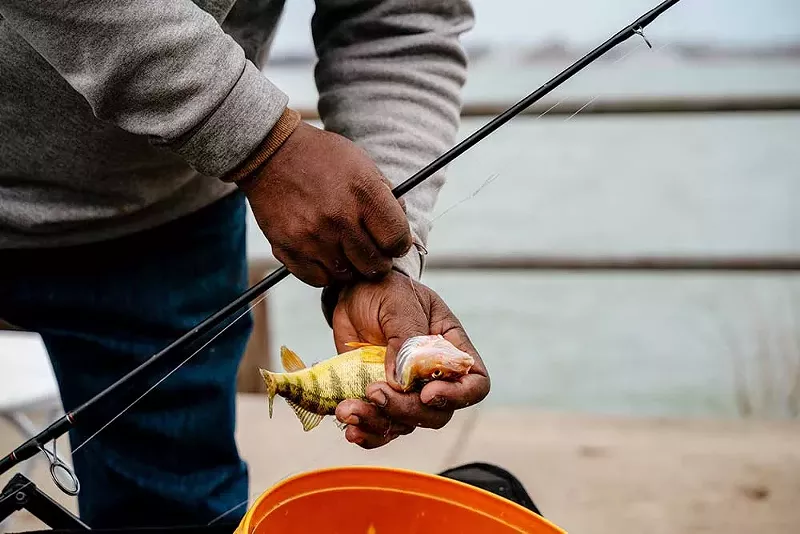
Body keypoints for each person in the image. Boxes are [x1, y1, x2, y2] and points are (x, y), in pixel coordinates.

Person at [0, 0, 490, 528]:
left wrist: (382, 256)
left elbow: (397, 19)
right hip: (201, 179)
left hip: (168, 221)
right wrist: (263, 145)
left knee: (173, 515)